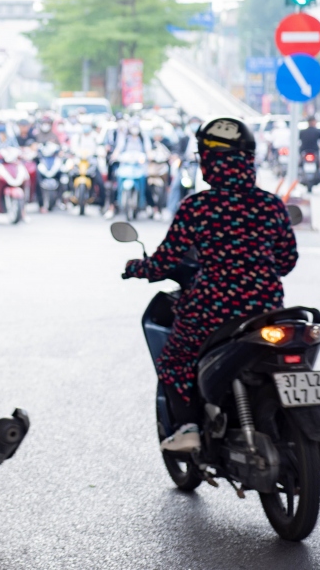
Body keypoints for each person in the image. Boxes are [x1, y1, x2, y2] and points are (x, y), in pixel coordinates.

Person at [122, 117, 297, 453]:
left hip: (213, 310)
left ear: (210, 163)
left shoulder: (198, 207)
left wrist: (137, 267)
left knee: (173, 360)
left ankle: (188, 426)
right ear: (248, 161)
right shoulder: (271, 205)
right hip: (268, 311)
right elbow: (286, 261)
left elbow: (166, 262)